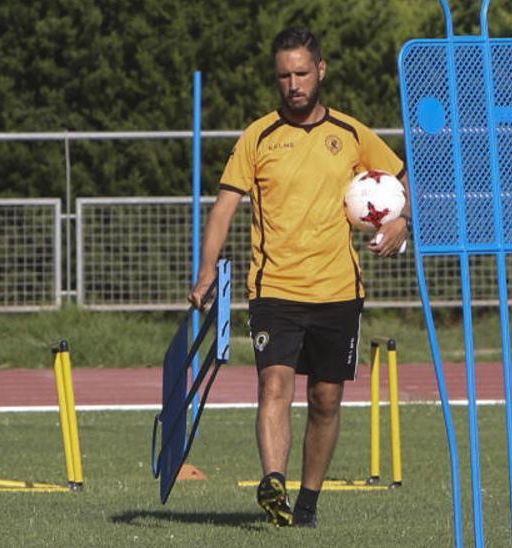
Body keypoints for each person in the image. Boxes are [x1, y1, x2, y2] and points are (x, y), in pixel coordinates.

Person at [188, 26, 411, 527]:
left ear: (321, 70)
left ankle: (306, 505)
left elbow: (404, 180)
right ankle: (273, 482)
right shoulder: (258, 137)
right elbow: (225, 206)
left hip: (338, 291)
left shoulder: (352, 134)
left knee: (325, 400)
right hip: (275, 291)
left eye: (302, 73)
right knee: (274, 386)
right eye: (284, 76)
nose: (293, 84)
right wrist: (206, 268)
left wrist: (402, 220)